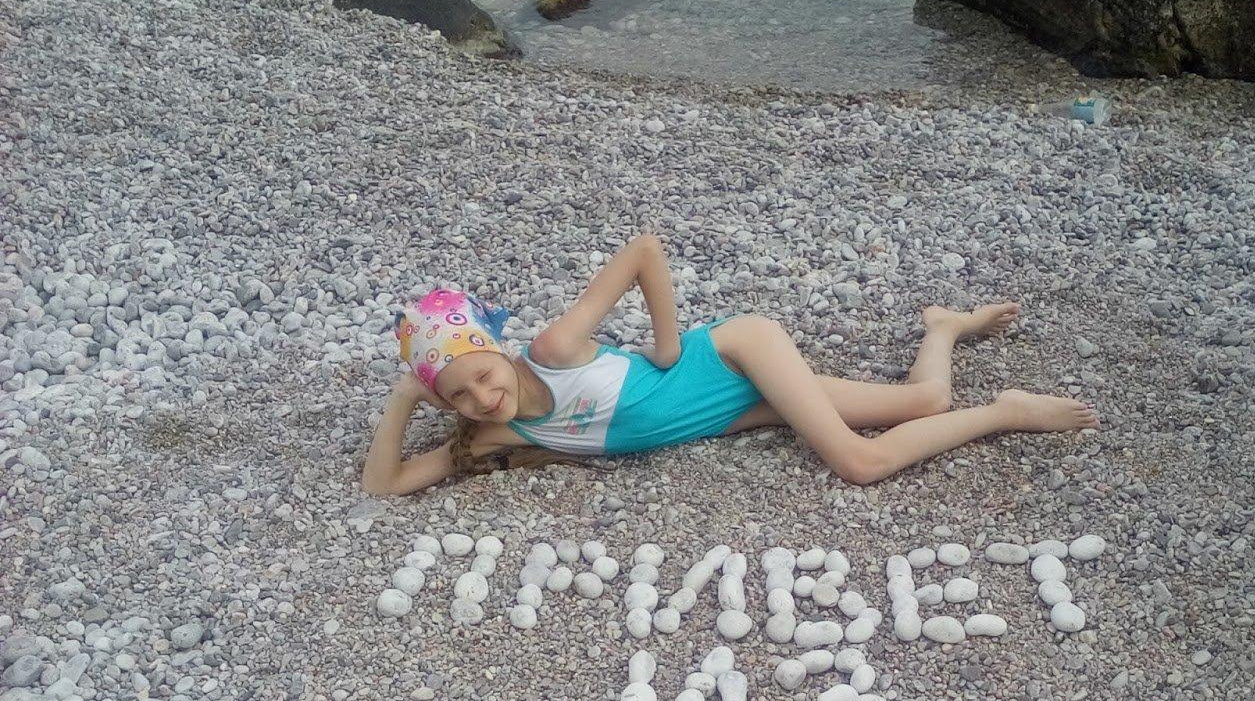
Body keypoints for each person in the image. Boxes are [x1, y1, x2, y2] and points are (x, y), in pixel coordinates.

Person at [361, 234, 1098, 497]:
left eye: (483, 374)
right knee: (928, 401)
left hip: (735, 353)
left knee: (859, 463)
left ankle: (1005, 411)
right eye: (460, 396)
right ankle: (946, 327)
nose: (483, 396)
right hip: (739, 410)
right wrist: (403, 400)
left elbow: (645, 249)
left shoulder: (552, 351)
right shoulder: (493, 435)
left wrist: (667, 345)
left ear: (496, 349)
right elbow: (385, 485)